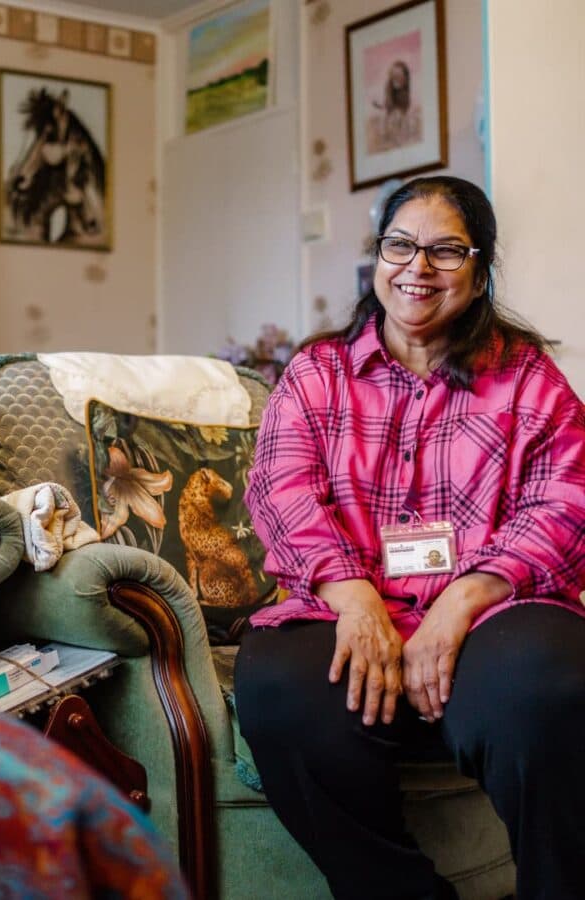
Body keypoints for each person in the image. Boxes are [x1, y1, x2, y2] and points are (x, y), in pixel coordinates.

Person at [235, 176, 585, 899]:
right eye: (401, 244)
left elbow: (568, 501)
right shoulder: (315, 374)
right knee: (277, 689)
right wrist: (356, 599)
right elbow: (280, 490)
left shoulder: (529, 380)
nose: (417, 267)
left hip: (493, 611)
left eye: (446, 251)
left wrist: (460, 604)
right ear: (378, 258)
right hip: (343, 604)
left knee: (549, 686)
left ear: (481, 269)